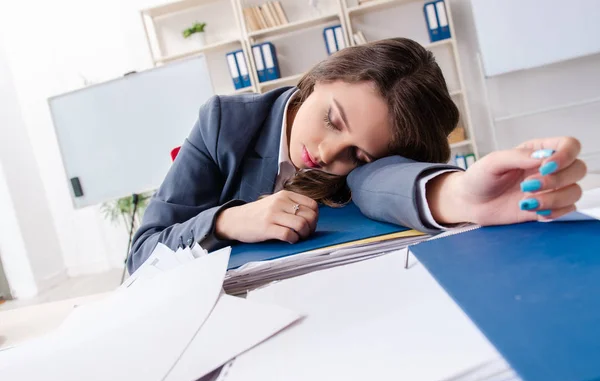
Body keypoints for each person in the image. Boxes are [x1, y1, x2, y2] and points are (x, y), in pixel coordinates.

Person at [127, 38, 587, 273]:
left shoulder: (361, 171)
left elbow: (388, 181)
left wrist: (462, 195)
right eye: (331, 118)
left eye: (356, 154)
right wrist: (229, 222)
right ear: (324, 76)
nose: (327, 155)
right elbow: (141, 255)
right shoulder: (223, 122)